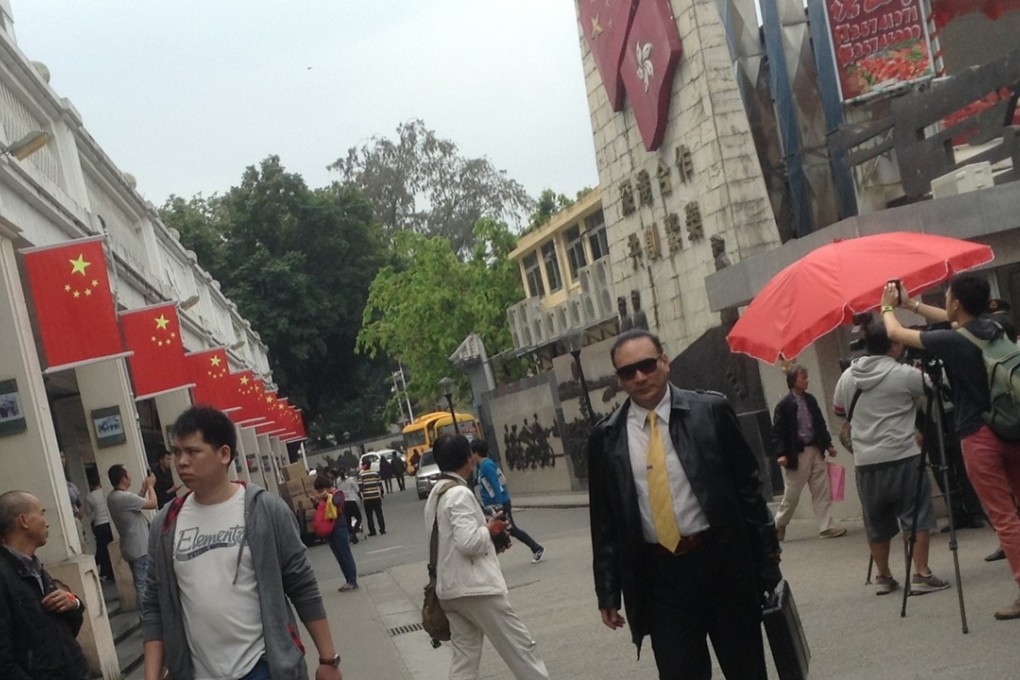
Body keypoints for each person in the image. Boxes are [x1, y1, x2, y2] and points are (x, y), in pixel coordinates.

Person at [588, 330, 781, 679]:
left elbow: (749, 492)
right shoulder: (606, 438)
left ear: (665, 362)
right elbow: (604, 522)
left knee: (747, 670)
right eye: (628, 372)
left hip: (723, 565)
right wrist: (607, 590)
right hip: (660, 578)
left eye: (647, 365)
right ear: (618, 379)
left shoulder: (711, 412)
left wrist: (768, 563)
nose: (640, 377)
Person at [142, 406, 343, 680]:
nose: (181, 462)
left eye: (192, 451)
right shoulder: (166, 524)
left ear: (224, 454)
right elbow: (154, 605)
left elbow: (302, 585)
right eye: (177, 452)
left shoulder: (265, 510)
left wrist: (328, 660)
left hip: (264, 668)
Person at [882, 275, 1020, 620]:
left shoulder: (951, 342)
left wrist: (887, 307)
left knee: (1005, 518)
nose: (945, 301)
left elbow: (897, 334)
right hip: (1012, 428)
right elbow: (950, 320)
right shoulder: (995, 327)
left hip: (978, 435)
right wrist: (911, 304)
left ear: (956, 303)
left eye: (947, 296)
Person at [832, 314, 950, 595]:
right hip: (903, 455)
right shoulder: (905, 374)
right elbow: (936, 391)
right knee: (917, 515)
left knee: (876, 520)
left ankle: (884, 575)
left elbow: (839, 412)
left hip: (866, 461)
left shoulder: (847, 376)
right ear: (895, 344)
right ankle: (920, 573)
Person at [425, 434, 550, 680]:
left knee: (465, 659)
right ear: (467, 459)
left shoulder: (436, 494)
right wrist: (490, 529)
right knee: (521, 648)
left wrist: (487, 533)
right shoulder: (459, 494)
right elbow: (469, 542)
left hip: (449, 589)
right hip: (476, 589)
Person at [0, 490, 90, 679]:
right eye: (41, 513)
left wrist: (73, 604)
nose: (46, 522)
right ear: (24, 521)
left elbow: (65, 628)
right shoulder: (5, 574)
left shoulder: (36, 569)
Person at [770, 364, 847, 540]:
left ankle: (826, 526)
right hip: (797, 453)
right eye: (803, 377)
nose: (806, 380)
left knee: (822, 489)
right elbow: (778, 432)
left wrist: (828, 444)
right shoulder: (784, 405)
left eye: (806, 377)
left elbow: (819, 423)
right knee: (792, 493)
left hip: (815, 448)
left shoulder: (810, 400)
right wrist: (781, 453)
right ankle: (779, 524)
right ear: (792, 381)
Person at [470, 438, 545, 563]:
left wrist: (499, 505)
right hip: (493, 504)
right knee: (501, 530)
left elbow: (496, 485)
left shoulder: (486, 465)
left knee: (509, 529)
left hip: (499, 504)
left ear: (476, 452)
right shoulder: (482, 466)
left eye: (471, 452)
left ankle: (536, 548)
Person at [107, 463, 156, 605]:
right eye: (128, 474)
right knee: (143, 585)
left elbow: (135, 504)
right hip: (139, 547)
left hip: (131, 547)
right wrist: (151, 486)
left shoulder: (113, 497)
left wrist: (144, 488)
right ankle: (145, 616)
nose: (131, 476)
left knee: (141, 582)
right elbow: (152, 503)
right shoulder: (122, 497)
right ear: (123, 479)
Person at [312, 475, 358, 592]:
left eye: (321, 490)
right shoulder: (325, 497)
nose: (320, 492)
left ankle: (352, 580)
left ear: (326, 488)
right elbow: (324, 509)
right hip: (330, 529)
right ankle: (348, 580)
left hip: (339, 527)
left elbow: (336, 503)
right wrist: (316, 502)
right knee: (339, 557)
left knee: (345, 555)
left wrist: (327, 496)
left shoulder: (338, 493)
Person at [83, 478, 114, 582]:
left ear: (91, 485)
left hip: (99, 524)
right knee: (109, 547)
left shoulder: (89, 496)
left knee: (101, 548)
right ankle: (109, 572)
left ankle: (98, 566)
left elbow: (87, 512)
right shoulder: (105, 492)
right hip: (109, 523)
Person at [335, 468, 363, 544]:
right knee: (358, 518)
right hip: (352, 501)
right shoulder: (351, 480)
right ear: (346, 472)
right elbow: (357, 490)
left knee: (347, 520)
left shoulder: (337, 481)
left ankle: (351, 533)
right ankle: (355, 530)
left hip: (343, 503)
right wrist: (360, 498)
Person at [358, 461, 386, 536]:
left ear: (365, 465)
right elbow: (380, 484)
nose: (361, 466)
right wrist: (381, 493)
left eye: (362, 465)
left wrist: (363, 493)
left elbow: (361, 488)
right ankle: (382, 529)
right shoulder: (375, 474)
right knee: (379, 514)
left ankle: (372, 531)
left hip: (367, 498)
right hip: (376, 497)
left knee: (369, 516)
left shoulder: (361, 475)